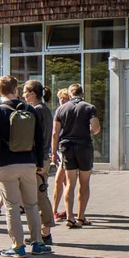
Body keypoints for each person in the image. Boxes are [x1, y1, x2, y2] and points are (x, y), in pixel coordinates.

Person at [0, 75, 49, 257]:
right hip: (28, 163)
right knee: (32, 204)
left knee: (12, 206)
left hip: (6, 165)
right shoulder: (30, 110)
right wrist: (38, 162)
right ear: (15, 90)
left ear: (0, 91)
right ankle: (37, 243)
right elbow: (39, 138)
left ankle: (18, 246)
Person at [53, 82, 101, 227]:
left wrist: (54, 152)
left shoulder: (61, 109)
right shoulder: (89, 107)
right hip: (84, 146)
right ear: (82, 94)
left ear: (70, 94)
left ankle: (69, 216)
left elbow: (55, 133)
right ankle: (80, 217)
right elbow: (96, 129)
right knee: (84, 182)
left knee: (70, 183)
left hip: (67, 147)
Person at [22, 79, 55, 246]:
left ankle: (45, 233)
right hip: (43, 156)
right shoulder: (44, 110)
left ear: (33, 94)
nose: (23, 95)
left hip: (38, 158)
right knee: (39, 193)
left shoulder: (36, 111)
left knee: (39, 195)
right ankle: (44, 231)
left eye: (25, 92)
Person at [50, 87, 71, 222]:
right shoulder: (61, 112)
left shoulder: (64, 113)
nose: (62, 101)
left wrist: (53, 153)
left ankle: (55, 211)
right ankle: (67, 211)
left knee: (60, 181)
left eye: (64, 98)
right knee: (65, 182)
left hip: (65, 149)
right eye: (60, 98)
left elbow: (55, 133)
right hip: (61, 149)